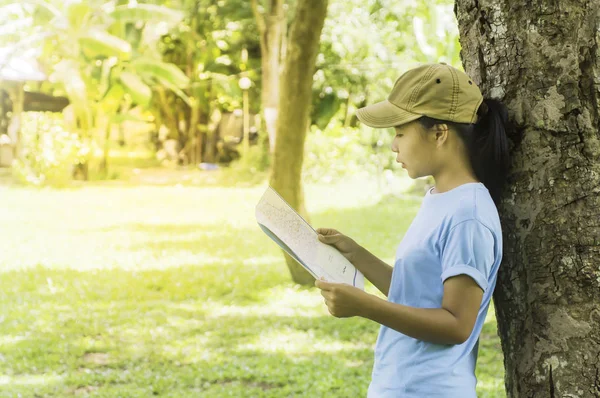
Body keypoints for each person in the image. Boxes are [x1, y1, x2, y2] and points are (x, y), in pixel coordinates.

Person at [314, 62, 511, 397]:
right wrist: (355, 253)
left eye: (401, 133)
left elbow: (456, 324)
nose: (394, 145)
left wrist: (365, 306)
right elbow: (417, 294)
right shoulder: (440, 198)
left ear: (439, 133)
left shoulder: (469, 215)